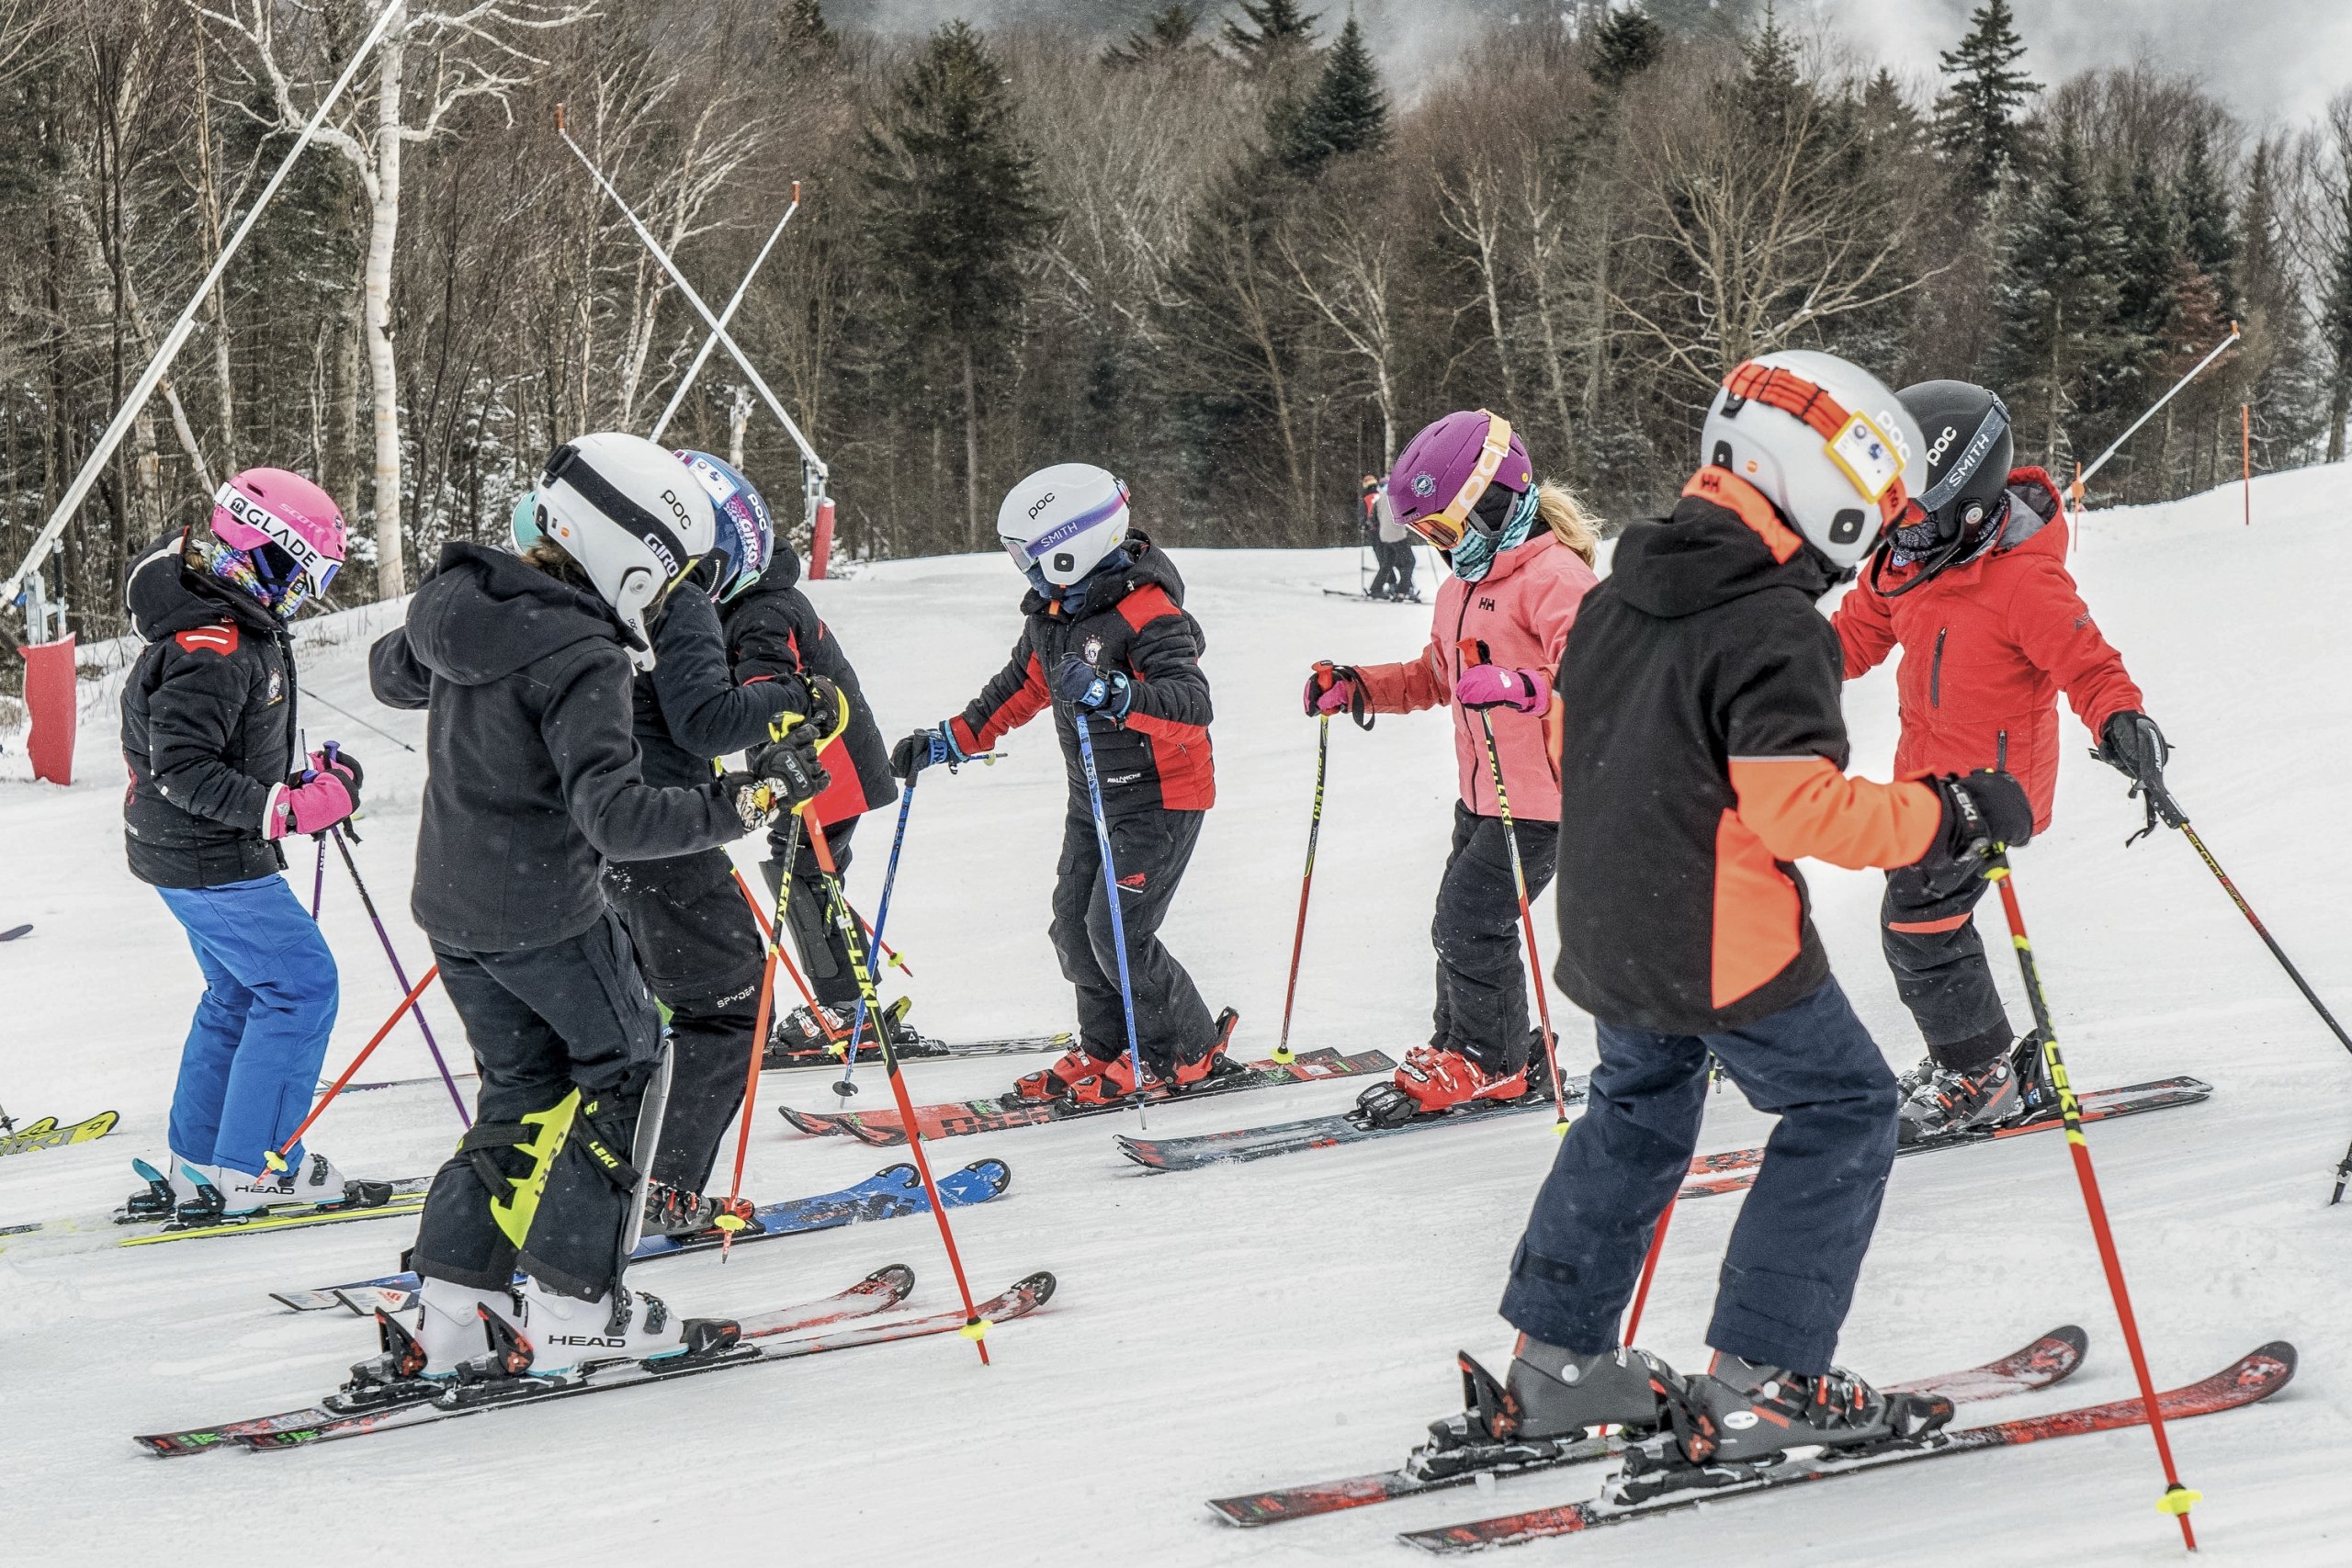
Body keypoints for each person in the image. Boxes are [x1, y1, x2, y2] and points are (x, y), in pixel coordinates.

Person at [1430, 351, 2036, 1485]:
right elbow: (1796, 807)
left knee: (1637, 1110)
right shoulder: (1771, 625)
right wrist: (1944, 813)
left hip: (1611, 927)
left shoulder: (1612, 595)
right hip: (1721, 936)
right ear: (1819, 487)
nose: (1872, 535)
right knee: (1844, 1108)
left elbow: (1568, 748)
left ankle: (1555, 1367)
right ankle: (1764, 1380)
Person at [368, 432, 828, 1382]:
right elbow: (617, 818)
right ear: (630, 547)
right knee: (626, 1072)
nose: (666, 591)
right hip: (546, 913)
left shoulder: (463, 600)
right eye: (667, 569)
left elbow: (395, 671)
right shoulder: (583, 652)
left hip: (453, 909)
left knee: (522, 1090)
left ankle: (454, 1301)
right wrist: (752, 799)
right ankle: (579, 1302)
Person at [1833, 380, 2166, 1144]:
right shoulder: (1914, 567)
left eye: (1914, 517)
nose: (1901, 538)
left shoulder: (2023, 579)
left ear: (1969, 502)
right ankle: (1970, 1056)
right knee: (1921, 918)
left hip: (1995, 789)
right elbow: (1855, 633)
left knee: (1920, 923)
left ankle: (1981, 1073)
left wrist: (2123, 721)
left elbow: (2090, 663)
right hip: (1926, 781)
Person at [509, 452, 832, 1234]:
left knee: (649, 1007)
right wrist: (799, 698)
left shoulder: (574, 589)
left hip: (582, 822)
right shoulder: (678, 595)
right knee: (729, 1002)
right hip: (664, 823)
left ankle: (601, 1172)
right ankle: (658, 1186)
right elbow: (703, 721)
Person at [892, 463, 1233, 1108]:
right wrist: (946, 741)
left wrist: (1111, 692)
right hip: (1094, 797)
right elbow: (1015, 691)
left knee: (1118, 932)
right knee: (1073, 930)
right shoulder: (1053, 617)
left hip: (1161, 795)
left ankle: (1184, 1049)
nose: (1024, 569)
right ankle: (1108, 1045)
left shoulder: (1147, 610)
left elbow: (1192, 704)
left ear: (1075, 547)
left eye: (1031, 555)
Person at [1312, 413, 1600, 1122]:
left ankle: (1490, 1061)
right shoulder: (1459, 590)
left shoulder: (1556, 577)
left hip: (1544, 800)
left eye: (1447, 529)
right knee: (1461, 922)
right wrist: (1359, 684)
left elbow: (1603, 672)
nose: (1443, 549)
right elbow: (1434, 677)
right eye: (1429, 536)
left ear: (1496, 501)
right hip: (1482, 796)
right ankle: (1471, 1042)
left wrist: (1519, 687)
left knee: (1469, 921)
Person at [119, 468, 359, 1221]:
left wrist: (297, 779)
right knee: (299, 987)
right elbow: (183, 766)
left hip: (190, 849)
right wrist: (284, 808)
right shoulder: (213, 641)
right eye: (306, 573)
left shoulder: (230, 620)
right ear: (268, 553)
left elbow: (224, 742)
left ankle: (199, 1161)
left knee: (239, 990)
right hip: (208, 855)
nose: (307, 592)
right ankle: (253, 1164)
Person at [718, 482, 902, 1062]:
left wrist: (746, 724)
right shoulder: (754, 601)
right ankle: (851, 1000)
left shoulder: (763, 611)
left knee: (802, 876)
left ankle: (847, 1011)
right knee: (805, 875)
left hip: (827, 765)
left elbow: (771, 689)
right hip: (818, 763)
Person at [1363, 473, 1419, 602]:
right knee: (1409, 562)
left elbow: (1375, 517)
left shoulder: (1380, 497)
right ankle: (1402, 591)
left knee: (1388, 563)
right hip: (1397, 535)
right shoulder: (1397, 496)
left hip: (1384, 535)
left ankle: (1376, 588)